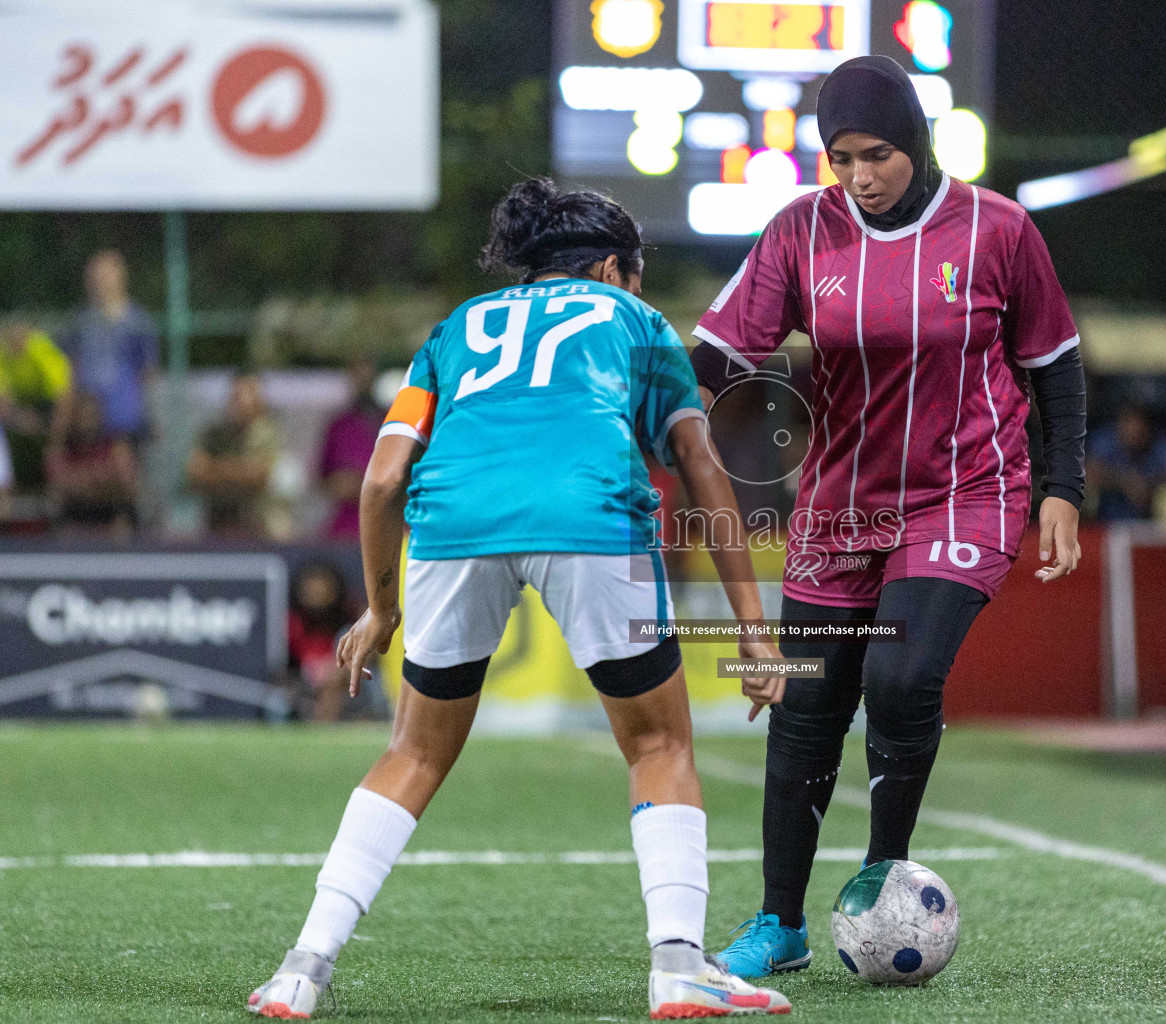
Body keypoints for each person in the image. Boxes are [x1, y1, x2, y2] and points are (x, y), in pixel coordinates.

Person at [247, 179, 792, 1020]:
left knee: (414, 753)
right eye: (637, 273)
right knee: (657, 742)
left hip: (452, 522)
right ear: (613, 267)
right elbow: (702, 469)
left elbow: (384, 477)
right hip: (590, 514)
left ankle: (301, 968)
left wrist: (381, 609)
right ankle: (680, 966)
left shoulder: (455, 329)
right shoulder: (638, 324)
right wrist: (754, 635)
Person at [688, 56, 1087, 977]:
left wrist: (1063, 487)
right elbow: (713, 353)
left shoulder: (1000, 230)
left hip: (967, 491)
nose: (860, 176)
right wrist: (637, 397)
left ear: (915, 141)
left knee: (903, 680)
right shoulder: (800, 232)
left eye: (877, 154)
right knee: (806, 703)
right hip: (839, 505)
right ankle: (779, 925)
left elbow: (1055, 364)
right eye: (841, 159)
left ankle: (881, 885)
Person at [59, 250, 159, 444]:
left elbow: (147, 371)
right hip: (85, 420)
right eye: (94, 276)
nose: (98, 281)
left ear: (120, 277)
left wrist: (148, 412)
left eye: (104, 275)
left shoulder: (138, 320)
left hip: (123, 416)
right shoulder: (79, 320)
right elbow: (68, 365)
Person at [185, 372, 284, 538]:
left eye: (242, 396)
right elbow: (195, 474)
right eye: (233, 396)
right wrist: (240, 470)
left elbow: (259, 477)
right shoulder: (213, 435)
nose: (236, 402)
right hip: (217, 527)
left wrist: (215, 470)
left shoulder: (268, 433)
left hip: (258, 528)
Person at [45, 391, 137, 536]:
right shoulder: (61, 449)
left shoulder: (116, 446)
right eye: (81, 416)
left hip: (111, 514)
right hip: (74, 516)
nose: (87, 422)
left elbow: (127, 487)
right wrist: (101, 479)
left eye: (91, 416)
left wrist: (85, 481)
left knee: (123, 526)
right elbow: (60, 487)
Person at [1086, 403, 1166, 521]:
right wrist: (1124, 482)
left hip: (1154, 523)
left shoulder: (1162, 444)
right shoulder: (1105, 441)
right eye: (1128, 424)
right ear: (1118, 425)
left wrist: (1151, 485)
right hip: (1108, 522)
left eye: (1139, 426)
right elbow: (1089, 473)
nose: (1134, 431)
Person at [0, 319, 71, 491]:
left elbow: (63, 397)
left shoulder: (40, 350)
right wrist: (21, 419)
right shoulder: (3, 353)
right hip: (23, 405)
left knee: (56, 438)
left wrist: (56, 438)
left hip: (49, 403)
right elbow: (3, 400)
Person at [318, 358, 386, 538]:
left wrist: (364, 483)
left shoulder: (391, 422)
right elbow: (322, 477)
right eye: (358, 373)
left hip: (385, 521)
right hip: (346, 526)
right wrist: (340, 484)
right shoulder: (339, 425)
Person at [288, 561, 362, 722]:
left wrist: (335, 673)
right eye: (311, 590)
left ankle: (324, 724)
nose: (317, 594)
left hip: (351, 690)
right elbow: (286, 669)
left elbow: (367, 657)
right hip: (305, 691)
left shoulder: (352, 621)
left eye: (322, 589)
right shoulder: (293, 624)